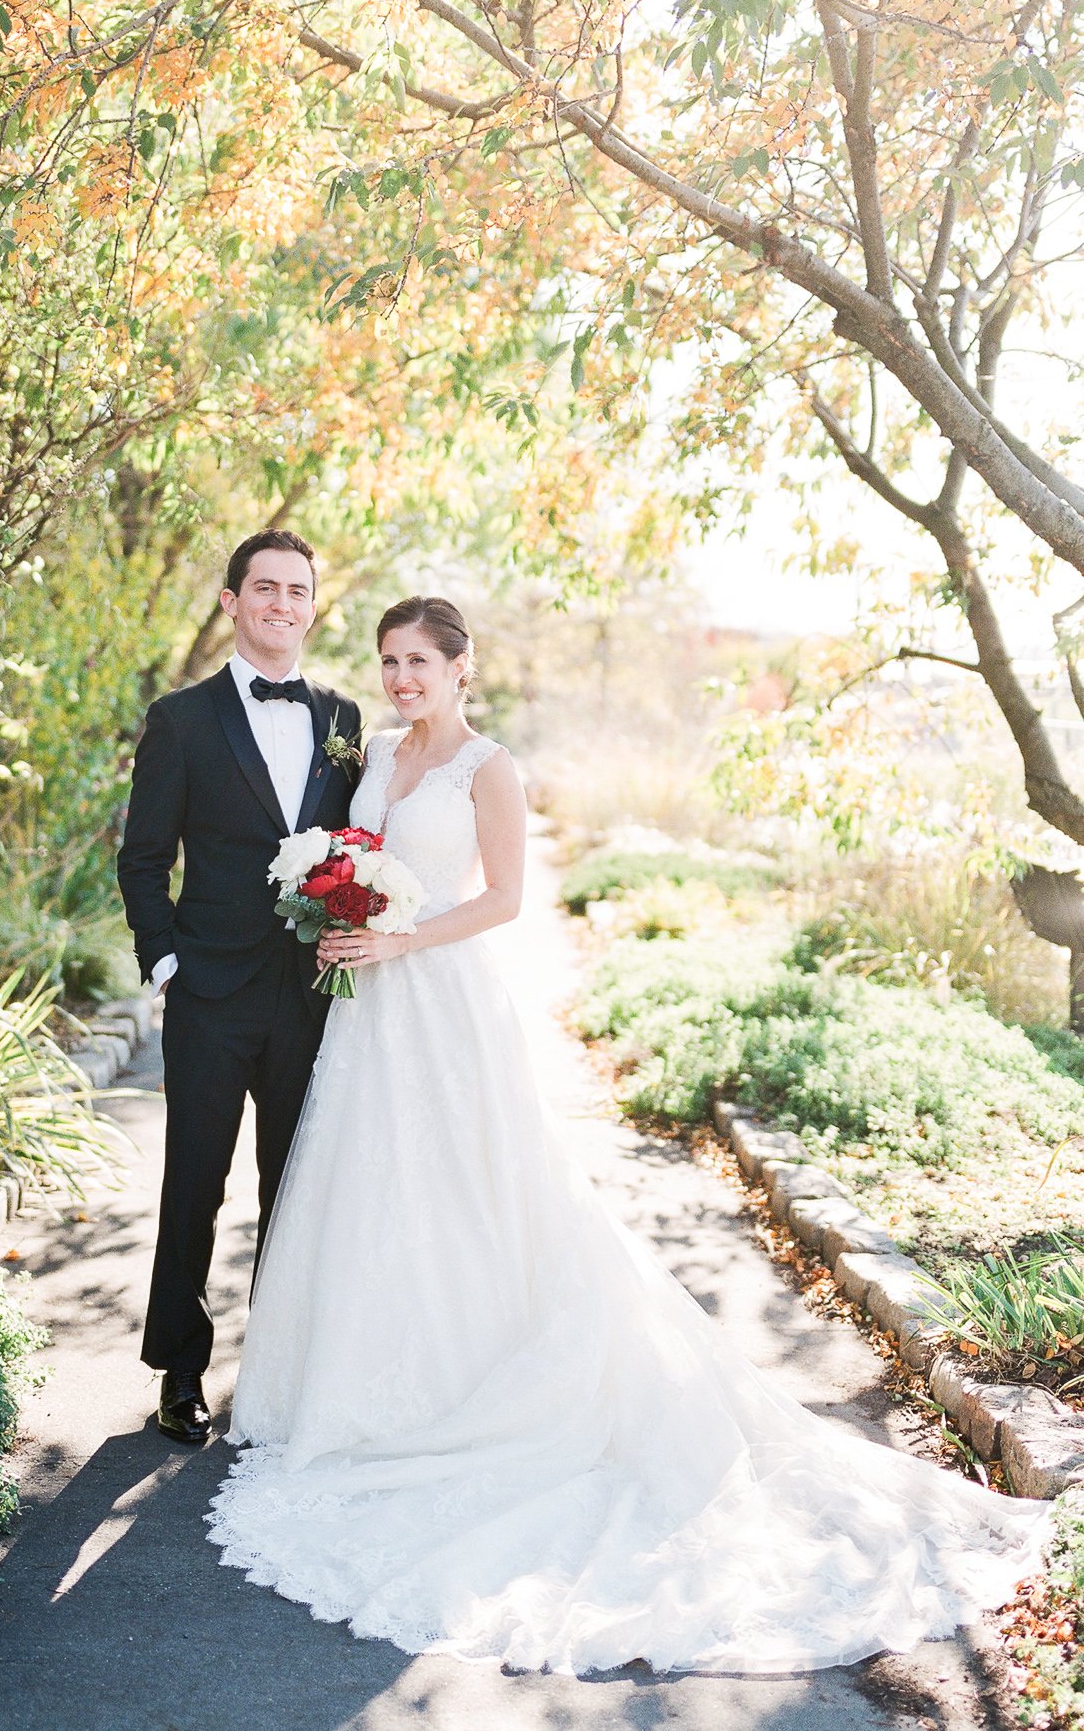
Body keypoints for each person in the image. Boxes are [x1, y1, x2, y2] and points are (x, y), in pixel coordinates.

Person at [205, 593, 1054, 1677]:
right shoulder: (372, 750)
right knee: (373, 1193)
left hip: (444, 1000)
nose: (403, 678)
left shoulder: (488, 768)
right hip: (371, 1009)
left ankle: (480, 1383)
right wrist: (340, 920)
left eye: (420, 661)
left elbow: (505, 899)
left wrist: (401, 935)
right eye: (389, 661)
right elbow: (351, 860)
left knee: (471, 1193)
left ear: (465, 668)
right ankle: (367, 1385)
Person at [116, 530, 362, 1443]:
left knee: (294, 1184)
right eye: (265, 588)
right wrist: (166, 961)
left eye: (298, 590)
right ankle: (180, 1372)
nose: (282, 604)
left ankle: (279, 1372)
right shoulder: (180, 720)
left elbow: (355, 847)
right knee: (195, 1183)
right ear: (231, 602)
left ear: (311, 605)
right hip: (210, 993)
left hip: (310, 994)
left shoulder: (342, 721)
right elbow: (143, 859)